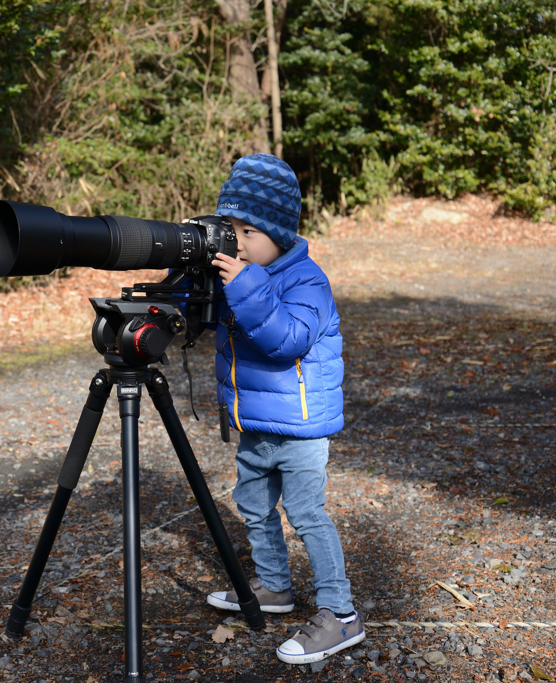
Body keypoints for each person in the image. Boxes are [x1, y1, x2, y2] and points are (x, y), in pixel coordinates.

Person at [203, 153, 364, 665]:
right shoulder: (245, 273)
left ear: (279, 232)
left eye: (249, 232)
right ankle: (274, 587)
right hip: (256, 423)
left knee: (306, 513)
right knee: (251, 504)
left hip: (299, 428)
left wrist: (244, 286)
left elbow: (285, 340)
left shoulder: (306, 281)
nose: (239, 243)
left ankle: (340, 614)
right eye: (231, 230)